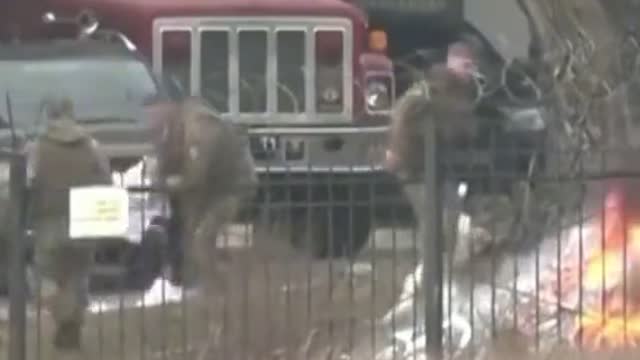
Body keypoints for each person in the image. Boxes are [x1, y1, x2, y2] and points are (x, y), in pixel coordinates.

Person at [26, 96, 112, 351]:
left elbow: (27, 181)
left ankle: (64, 318)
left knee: (46, 276)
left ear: (49, 116)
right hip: (86, 221)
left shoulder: (37, 147)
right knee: (78, 276)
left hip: (51, 222)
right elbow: (106, 181)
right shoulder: (92, 146)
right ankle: (72, 325)